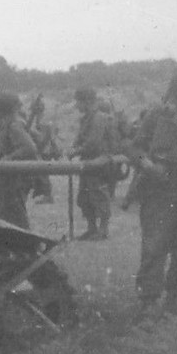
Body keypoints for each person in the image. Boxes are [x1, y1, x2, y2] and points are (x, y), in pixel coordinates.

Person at [124, 71, 177, 319]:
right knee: (154, 246)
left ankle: (173, 299)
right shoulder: (156, 115)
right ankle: (148, 302)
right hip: (158, 188)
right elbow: (133, 147)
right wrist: (148, 165)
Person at [0, 92, 38, 230]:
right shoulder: (10, 122)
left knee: (15, 215)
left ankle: (27, 245)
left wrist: (8, 159)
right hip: (10, 177)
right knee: (8, 215)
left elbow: (29, 148)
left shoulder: (14, 125)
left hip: (16, 177)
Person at [69, 87, 118, 240]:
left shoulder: (99, 118)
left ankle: (103, 230)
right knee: (84, 197)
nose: (77, 106)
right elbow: (81, 139)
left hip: (100, 162)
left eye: (79, 102)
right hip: (89, 162)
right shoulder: (87, 119)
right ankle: (92, 229)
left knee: (99, 195)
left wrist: (76, 151)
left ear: (88, 101)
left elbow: (94, 143)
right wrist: (75, 148)